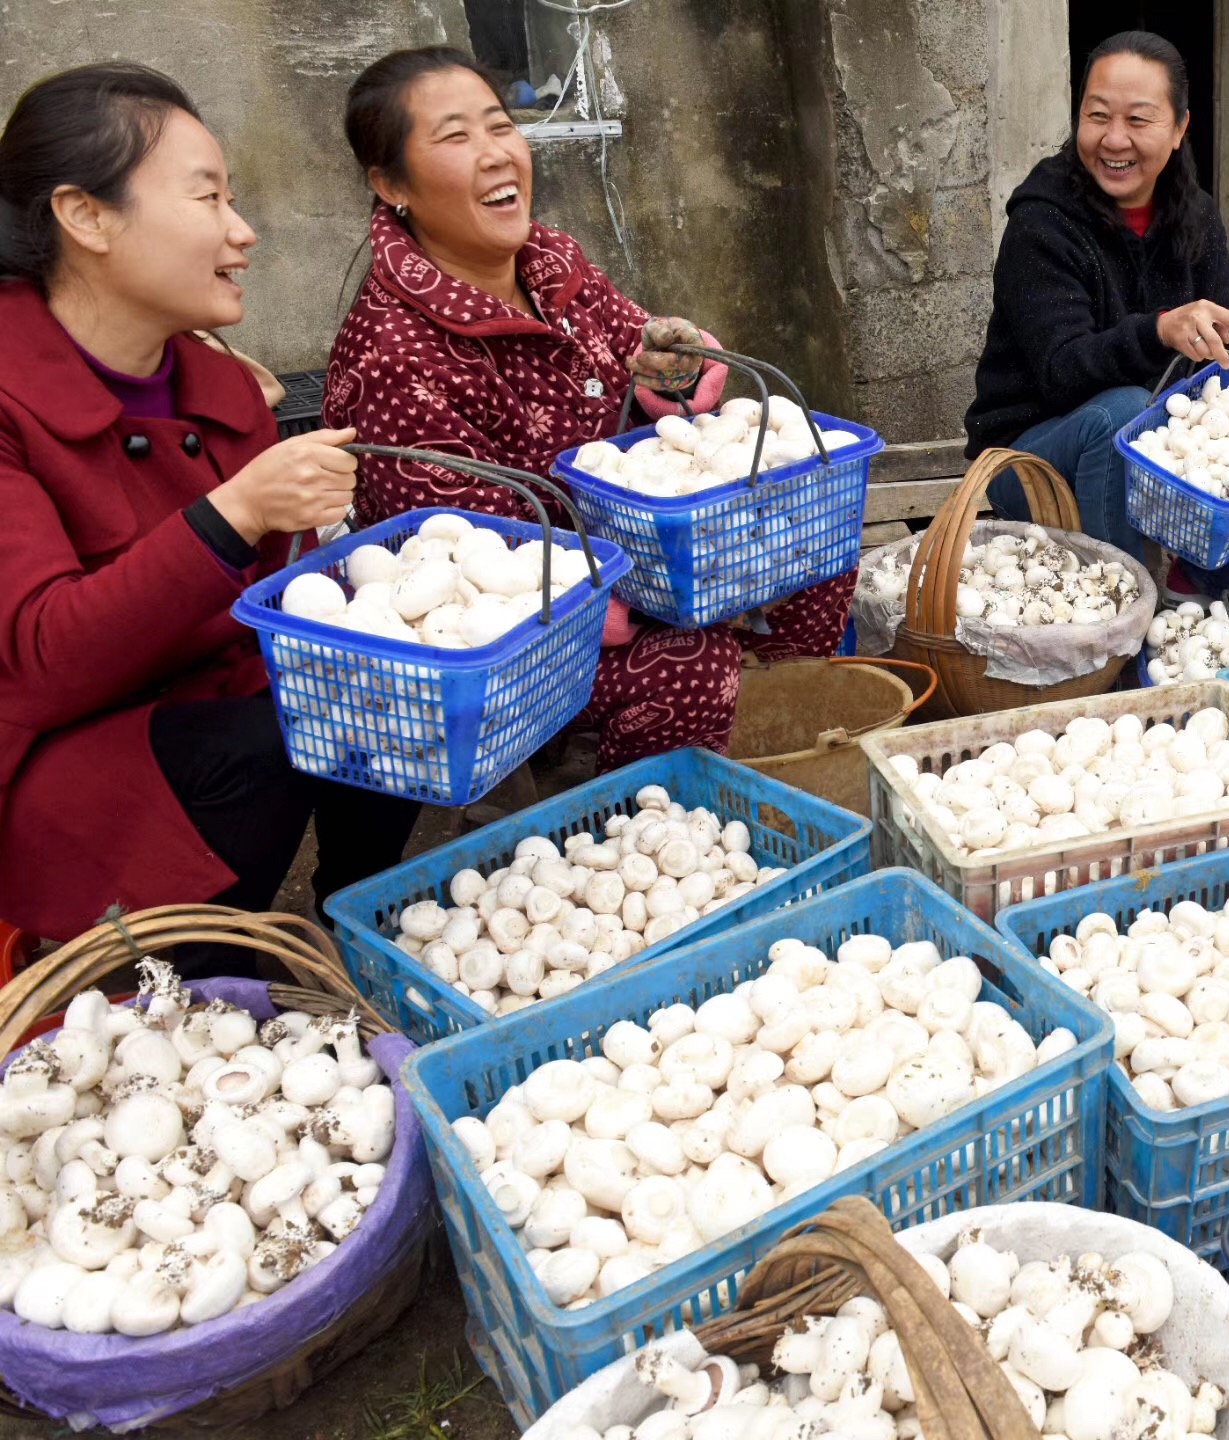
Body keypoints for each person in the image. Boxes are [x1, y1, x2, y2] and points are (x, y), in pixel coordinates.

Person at [325, 47, 854, 764]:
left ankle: (768, 742)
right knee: (694, 667)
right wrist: (647, 594)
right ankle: (650, 805)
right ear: (391, 184)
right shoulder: (393, 355)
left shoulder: (552, 265)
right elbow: (468, 563)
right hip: (530, 635)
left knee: (821, 546)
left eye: (500, 126)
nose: (496, 154)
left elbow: (645, 365)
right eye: (456, 137)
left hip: (646, 552)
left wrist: (672, 367)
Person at [0, 63, 418, 944]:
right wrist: (234, 514)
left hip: (210, 715)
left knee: (382, 690)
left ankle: (362, 925)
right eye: (207, 198)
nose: (242, 230)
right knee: (265, 746)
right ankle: (174, 967)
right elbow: (43, 659)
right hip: (58, 757)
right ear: (86, 216)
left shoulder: (219, 386)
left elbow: (273, 603)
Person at [965, 30, 1229, 602]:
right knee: (1121, 415)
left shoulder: (1196, 215)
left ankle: (1210, 595)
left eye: (1139, 119)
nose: (1113, 139)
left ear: (1179, 128)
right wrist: (1159, 331)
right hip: (1032, 457)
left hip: (1152, 448)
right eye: (1098, 115)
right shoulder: (1042, 224)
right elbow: (1061, 371)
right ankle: (1119, 611)